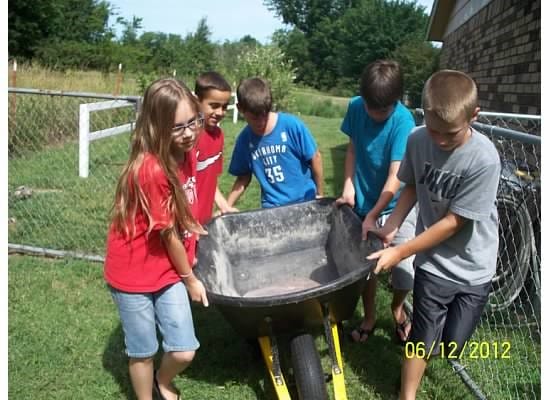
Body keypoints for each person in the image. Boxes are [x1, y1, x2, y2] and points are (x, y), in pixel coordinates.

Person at [367, 70, 501, 400]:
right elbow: (412, 184)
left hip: (474, 267)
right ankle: (407, 394)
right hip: (434, 264)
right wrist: (392, 226)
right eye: (433, 129)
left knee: (452, 345)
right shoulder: (417, 139)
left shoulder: (484, 159)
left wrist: (400, 252)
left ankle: (426, 337)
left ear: (474, 116)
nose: (439, 140)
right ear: (422, 114)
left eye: (450, 133)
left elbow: (455, 222)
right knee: (423, 339)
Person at [104, 78, 209, 400]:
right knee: (143, 350)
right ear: (157, 126)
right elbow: (167, 234)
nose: (189, 133)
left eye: (193, 122)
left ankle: (162, 382)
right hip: (133, 273)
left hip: (167, 269)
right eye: (178, 128)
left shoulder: (184, 151)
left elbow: (184, 203)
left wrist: (195, 225)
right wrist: (190, 279)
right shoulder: (151, 170)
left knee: (184, 350)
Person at [335, 60, 417, 344]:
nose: (374, 113)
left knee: (405, 271)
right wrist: (348, 184)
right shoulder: (357, 106)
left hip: (396, 208)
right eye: (370, 106)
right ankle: (369, 317)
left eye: (382, 109)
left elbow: (397, 177)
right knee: (367, 268)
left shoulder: (404, 122)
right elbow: (353, 149)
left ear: (396, 100)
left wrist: (375, 214)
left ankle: (397, 308)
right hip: (362, 201)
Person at [227, 77, 324, 208]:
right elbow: (243, 177)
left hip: (305, 200)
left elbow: (315, 157)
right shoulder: (245, 140)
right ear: (240, 108)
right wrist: (227, 206)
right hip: (273, 207)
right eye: (255, 117)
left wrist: (320, 193)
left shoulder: (291, 126)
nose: (261, 122)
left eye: (265, 115)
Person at [194, 71, 238, 225]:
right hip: (183, 224)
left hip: (203, 222)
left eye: (225, 107)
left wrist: (225, 206)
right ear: (197, 101)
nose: (220, 112)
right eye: (214, 106)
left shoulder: (218, 136)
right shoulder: (187, 138)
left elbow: (210, 180)